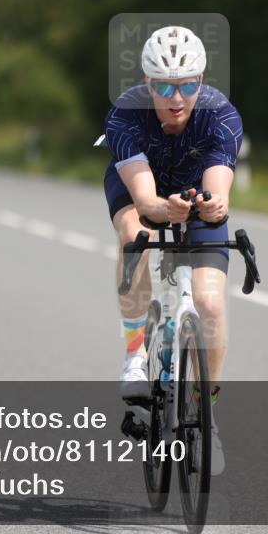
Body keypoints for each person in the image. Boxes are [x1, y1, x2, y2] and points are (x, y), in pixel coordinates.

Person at [104, 25, 243, 474]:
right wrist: (163, 209)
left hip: (193, 193)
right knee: (135, 236)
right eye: (164, 86)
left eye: (186, 85)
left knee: (210, 304)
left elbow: (218, 186)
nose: (176, 97)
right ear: (148, 84)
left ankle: (207, 413)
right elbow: (146, 201)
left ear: (201, 80)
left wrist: (215, 205)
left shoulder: (221, 115)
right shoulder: (126, 114)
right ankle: (134, 353)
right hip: (143, 189)